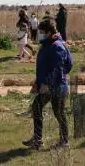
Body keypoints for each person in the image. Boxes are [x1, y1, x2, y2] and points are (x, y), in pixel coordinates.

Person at [22, 19, 74, 150]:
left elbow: (63, 67)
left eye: (42, 32)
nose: (40, 34)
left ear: (50, 32)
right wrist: (38, 82)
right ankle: (38, 139)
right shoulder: (47, 44)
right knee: (36, 107)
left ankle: (64, 141)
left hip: (56, 87)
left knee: (59, 113)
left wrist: (48, 83)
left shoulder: (57, 46)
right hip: (46, 85)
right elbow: (44, 67)